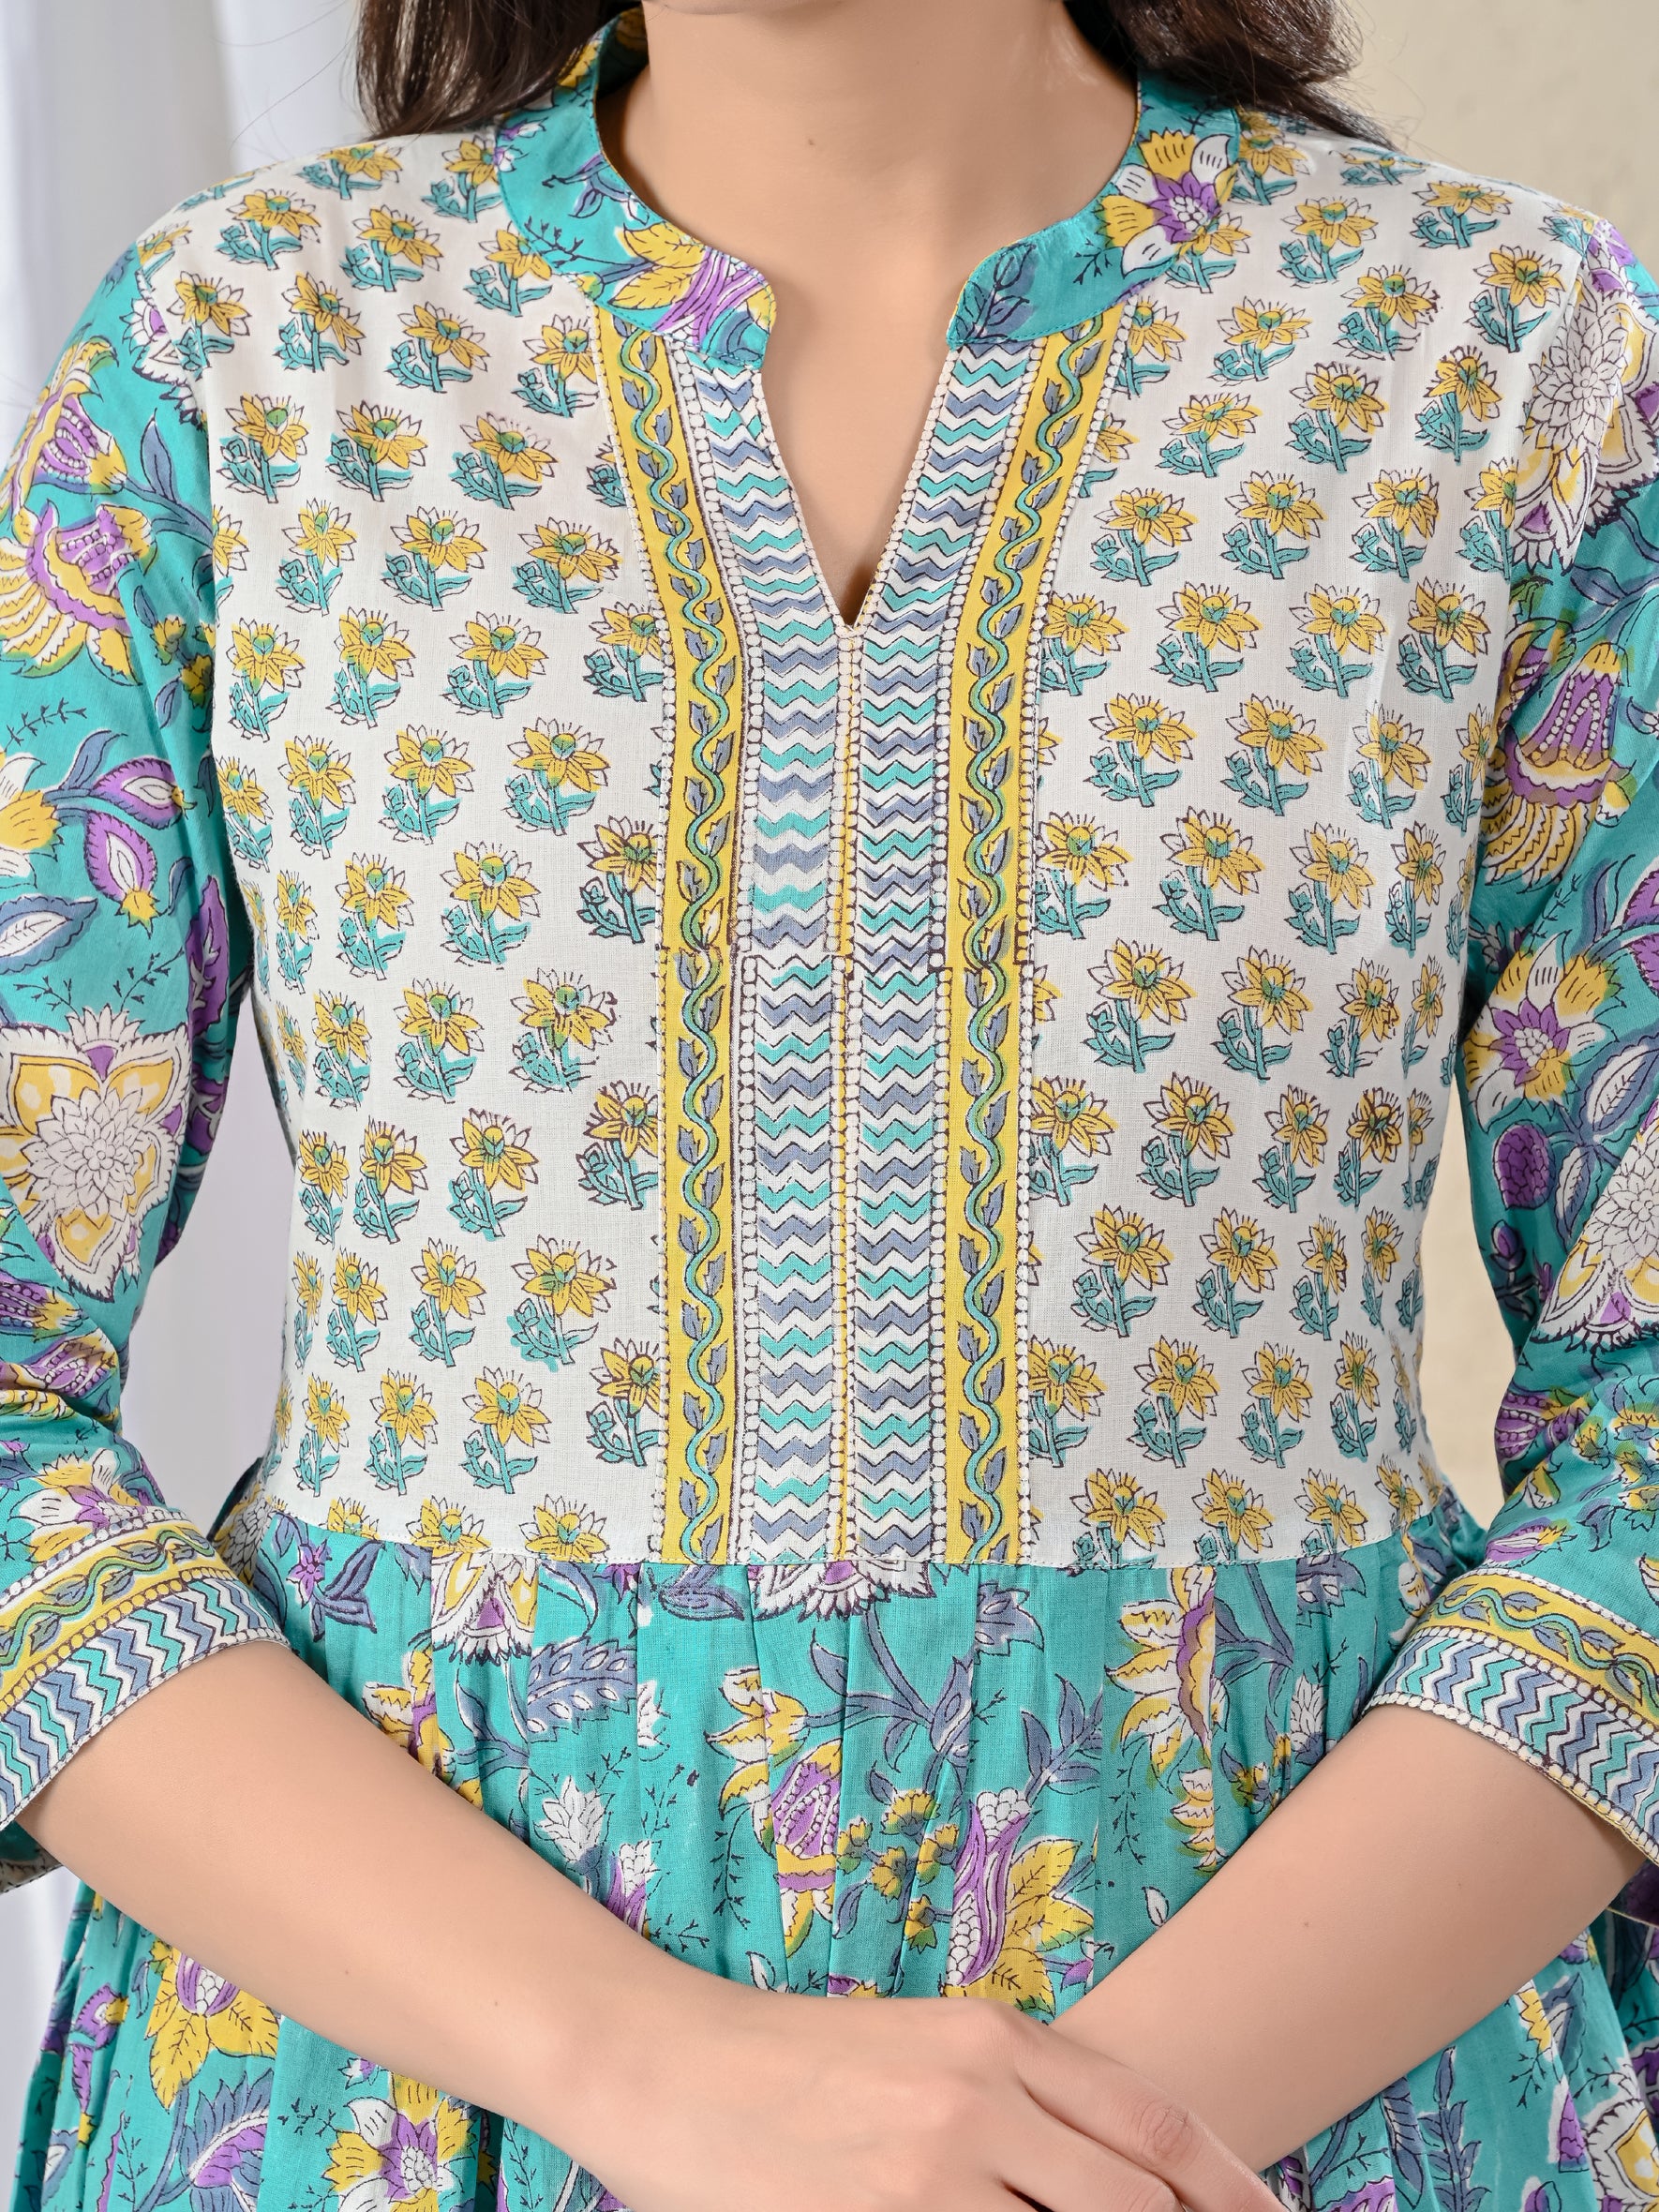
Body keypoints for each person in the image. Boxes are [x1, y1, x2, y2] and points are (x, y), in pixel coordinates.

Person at [5, 0, 1659, 2204]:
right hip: (389, 2114)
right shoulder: (236, 360)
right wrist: (645, 2069)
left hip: (1303, 2118)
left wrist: (1067, 2149)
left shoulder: (1501, 359)